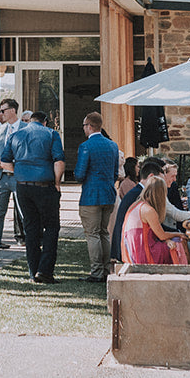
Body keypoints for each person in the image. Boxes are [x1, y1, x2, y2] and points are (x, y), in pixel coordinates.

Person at [0, 109, 65, 284]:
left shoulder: (16, 135)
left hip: (23, 187)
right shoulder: (51, 134)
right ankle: (45, 270)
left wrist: (20, 171)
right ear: (45, 122)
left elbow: (4, 162)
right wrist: (57, 182)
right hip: (45, 186)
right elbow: (59, 161)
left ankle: (33, 270)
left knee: (31, 228)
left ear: (30, 121)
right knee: (51, 227)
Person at [73, 112, 122, 281]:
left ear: (90, 126)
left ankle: (96, 272)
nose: (83, 129)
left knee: (92, 234)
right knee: (104, 233)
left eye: (84, 126)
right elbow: (115, 173)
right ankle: (107, 269)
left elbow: (80, 174)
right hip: (108, 193)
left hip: (91, 195)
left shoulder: (86, 146)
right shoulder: (112, 145)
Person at [111, 155, 169, 265]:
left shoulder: (138, 191)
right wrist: (176, 233)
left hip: (133, 241)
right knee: (175, 246)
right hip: (131, 246)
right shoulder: (139, 194)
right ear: (151, 177)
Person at [0, 97, 23, 262]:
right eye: (0, 111)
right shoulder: (0, 130)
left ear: (13, 111)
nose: (0, 113)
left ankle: (32, 247)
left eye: (3, 110)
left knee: (23, 213)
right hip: (1, 178)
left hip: (18, 177)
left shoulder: (25, 128)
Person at [121, 175, 186, 265]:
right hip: (145, 254)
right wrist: (178, 234)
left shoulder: (135, 205)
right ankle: (182, 270)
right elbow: (162, 235)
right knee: (178, 241)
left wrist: (167, 239)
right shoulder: (148, 210)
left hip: (133, 253)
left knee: (172, 241)